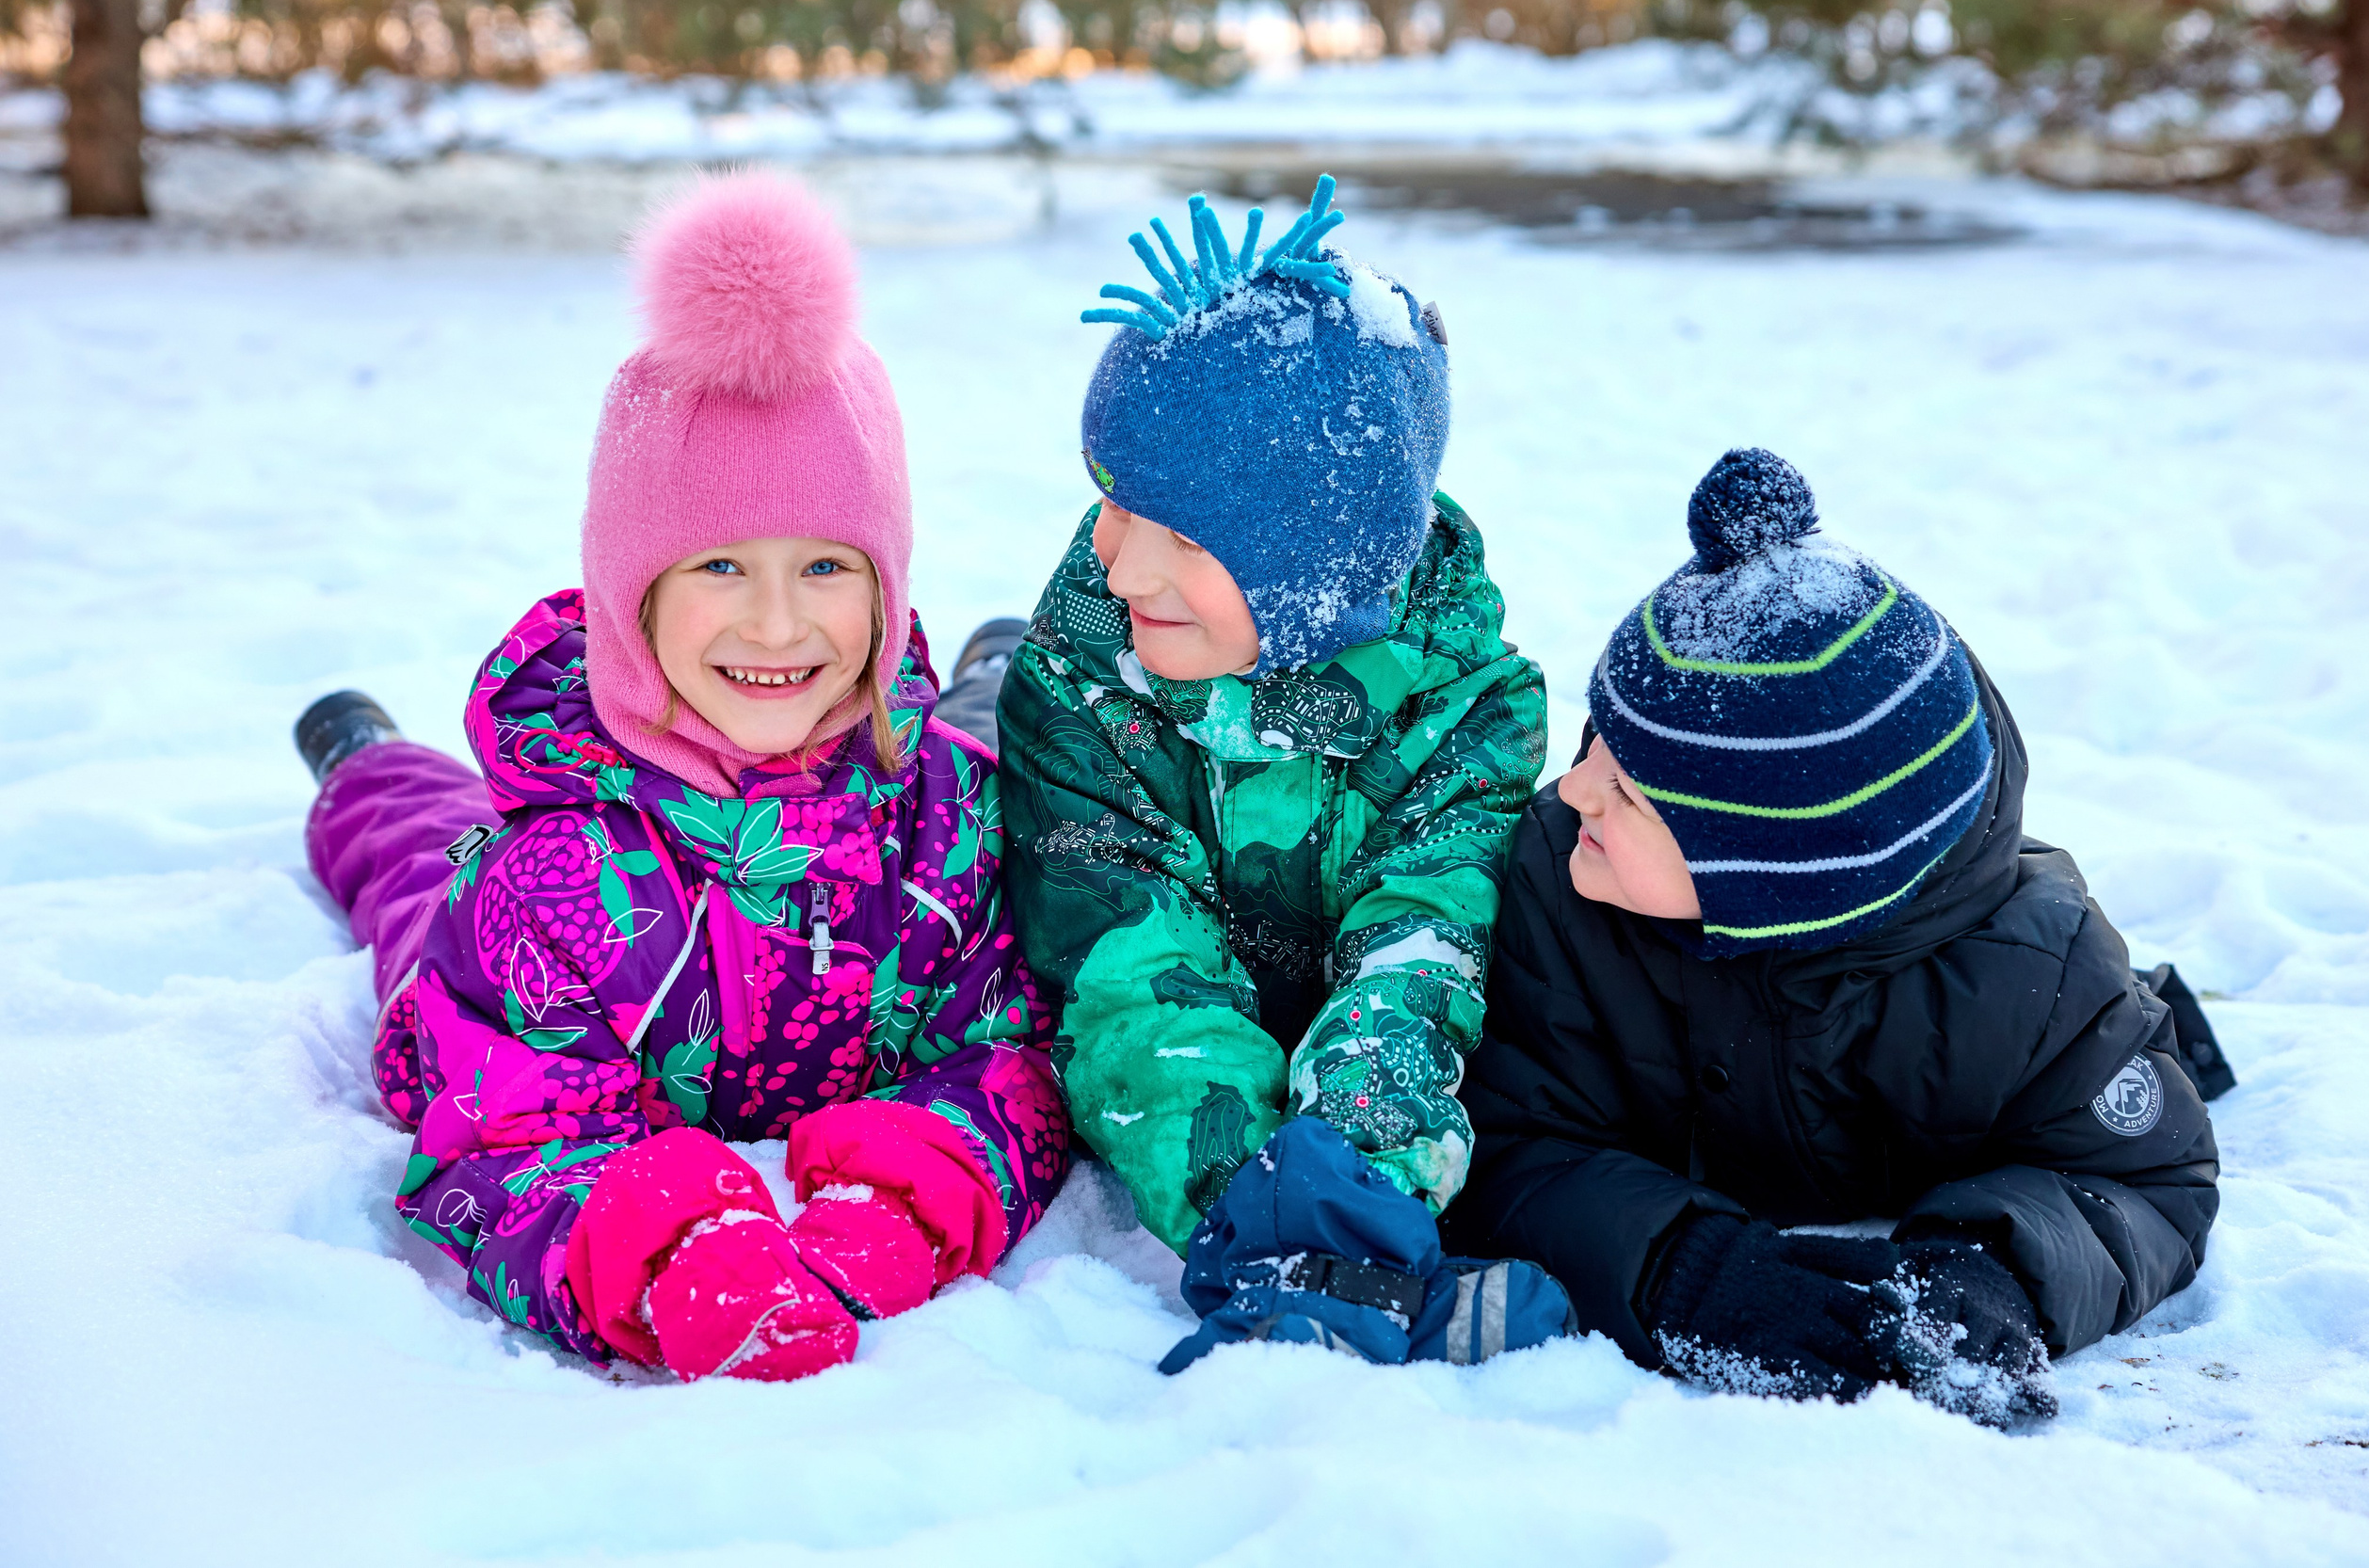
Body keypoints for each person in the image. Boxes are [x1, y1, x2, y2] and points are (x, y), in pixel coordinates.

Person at [297, 171, 1067, 1382]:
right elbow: (513, 1135)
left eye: (826, 567)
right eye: (719, 564)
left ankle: (993, 664)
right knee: (413, 848)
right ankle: (363, 753)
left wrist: (909, 1197)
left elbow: (1006, 1051)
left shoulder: (948, 825)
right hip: (517, 874)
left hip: (887, 748)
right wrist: (661, 1256)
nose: (773, 624)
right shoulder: (542, 888)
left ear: (886, 586)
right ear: (630, 594)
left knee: (970, 739)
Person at [1447, 448, 2231, 1427]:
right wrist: (1673, 1264)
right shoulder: (1554, 897)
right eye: (1597, 736)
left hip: (2002, 1021)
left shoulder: (2029, 980)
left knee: (2106, 1059)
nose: (1574, 788)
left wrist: (1995, 1276)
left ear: (1774, 871)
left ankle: (2164, 1024)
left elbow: (2143, 1178)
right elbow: (1495, 1138)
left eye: (1631, 788)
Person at [999, 179, 1568, 1368]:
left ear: (1322, 581)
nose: (1120, 561)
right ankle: (978, 652)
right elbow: (1134, 976)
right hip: (1163, 905)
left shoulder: (1470, 710)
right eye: (1111, 498)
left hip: (1325, 944)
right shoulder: (1079, 685)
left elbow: (1421, 948)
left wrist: (1360, 1183)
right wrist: (1246, 1207)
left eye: (1187, 540)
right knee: (977, 703)